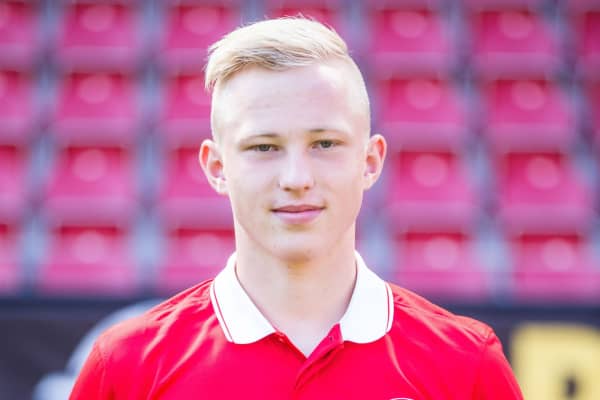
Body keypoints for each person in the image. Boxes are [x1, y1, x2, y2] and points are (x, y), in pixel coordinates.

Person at [70, 17, 523, 399]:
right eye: (264, 147)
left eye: (324, 143)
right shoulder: (127, 366)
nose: (296, 178)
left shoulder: (466, 364)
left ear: (370, 161)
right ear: (217, 167)